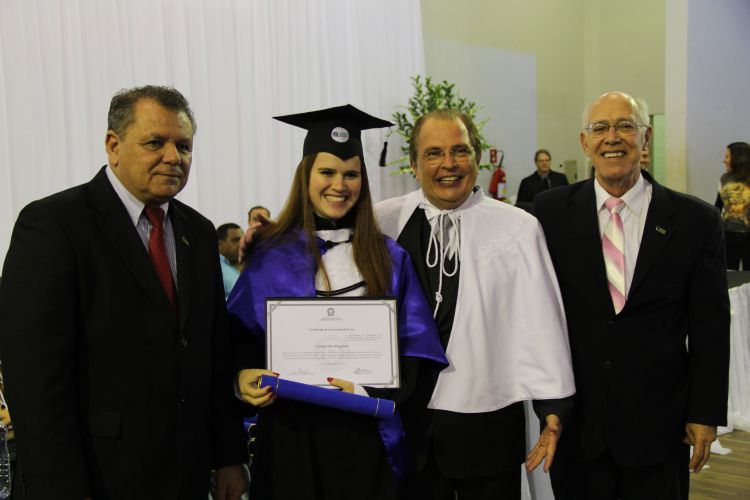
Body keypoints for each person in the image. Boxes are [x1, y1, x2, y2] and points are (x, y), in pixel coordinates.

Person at [0, 85, 247, 499]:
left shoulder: (198, 232)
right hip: (96, 478)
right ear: (113, 146)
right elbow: (34, 380)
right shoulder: (54, 225)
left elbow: (212, 354)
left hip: (185, 477)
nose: (174, 157)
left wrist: (227, 456)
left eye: (183, 146)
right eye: (155, 143)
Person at [229, 104, 447, 499]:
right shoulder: (271, 256)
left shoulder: (389, 258)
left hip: (366, 440)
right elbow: (238, 341)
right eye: (327, 172)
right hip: (290, 439)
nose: (339, 185)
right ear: (306, 176)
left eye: (351, 174)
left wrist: (370, 394)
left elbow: (415, 354)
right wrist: (241, 377)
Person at [533, 91, 730, 500]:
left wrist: (704, 413)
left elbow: (710, 327)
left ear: (646, 137)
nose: (613, 137)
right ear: (584, 142)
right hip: (576, 427)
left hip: (659, 427)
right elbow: (537, 317)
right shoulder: (549, 212)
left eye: (626, 125)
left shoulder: (695, 220)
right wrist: (546, 405)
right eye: (600, 128)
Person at [373, 109, 576, 499]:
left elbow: (541, 321)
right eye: (433, 153)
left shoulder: (519, 227)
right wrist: (263, 239)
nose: (448, 164)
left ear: (477, 157)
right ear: (414, 164)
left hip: (487, 423)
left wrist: (552, 406)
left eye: (460, 151)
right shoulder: (383, 222)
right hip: (407, 425)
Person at [718, 142, 750, 270]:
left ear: (738, 158)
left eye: (727, 157)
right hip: (729, 234)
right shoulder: (724, 180)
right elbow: (718, 206)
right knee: (728, 271)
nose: (724, 161)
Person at [217, 222, 244, 298]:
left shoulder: (246, 264)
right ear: (220, 244)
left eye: (243, 239)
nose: (242, 243)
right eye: (236, 240)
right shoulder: (213, 269)